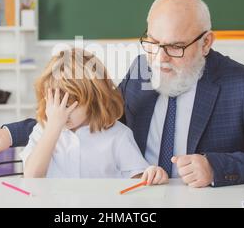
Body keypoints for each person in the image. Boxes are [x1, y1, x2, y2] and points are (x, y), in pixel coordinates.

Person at [0, 0, 244, 187]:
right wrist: (11, 133)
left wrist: (216, 168)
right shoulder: (141, 69)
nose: (159, 60)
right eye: (153, 44)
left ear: (205, 42)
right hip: (138, 200)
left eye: (174, 47)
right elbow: (94, 111)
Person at [20, 48, 168, 185]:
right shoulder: (43, 130)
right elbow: (32, 178)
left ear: (93, 100)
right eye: (54, 104)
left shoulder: (118, 135)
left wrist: (152, 175)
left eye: (68, 106)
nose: (60, 113)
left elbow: (138, 179)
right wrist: (53, 127)